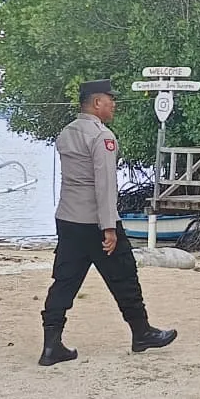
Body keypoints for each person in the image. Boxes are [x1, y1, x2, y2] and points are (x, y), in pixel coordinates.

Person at [39, 79, 177, 365]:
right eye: (110, 100)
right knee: (124, 276)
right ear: (96, 102)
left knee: (64, 280)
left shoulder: (66, 133)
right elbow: (104, 185)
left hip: (68, 217)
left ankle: (51, 344)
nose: (114, 104)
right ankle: (141, 332)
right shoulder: (102, 136)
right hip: (96, 220)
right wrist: (109, 227)